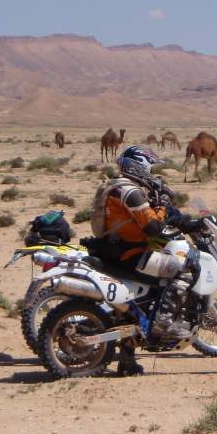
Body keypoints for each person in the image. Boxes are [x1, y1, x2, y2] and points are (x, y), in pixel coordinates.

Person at [87, 145, 197, 374]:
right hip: (131, 254)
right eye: (150, 167)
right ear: (139, 165)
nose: (152, 173)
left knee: (132, 306)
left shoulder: (117, 186)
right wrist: (165, 205)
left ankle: (127, 361)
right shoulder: (131, 192)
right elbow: (153, 228)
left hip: (113, 251)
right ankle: (163, 323)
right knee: (185, 269)